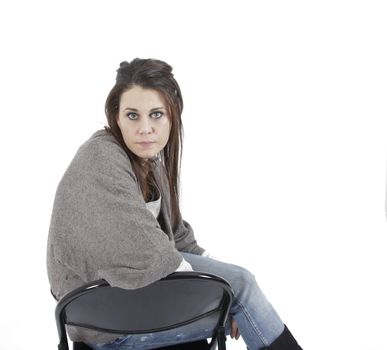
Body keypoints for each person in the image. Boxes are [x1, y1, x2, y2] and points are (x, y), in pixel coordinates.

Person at [46, 58, 303, 350]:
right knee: (243, 285)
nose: (145, 128)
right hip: (106, 325)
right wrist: (230, 298)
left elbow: (177, 237)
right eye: (133, 116)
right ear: (116, 117)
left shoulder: (148, 164)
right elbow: (148, 250)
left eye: (156, 115)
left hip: (132, 306)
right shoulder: (100, 158)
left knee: (240, 290)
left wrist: (227, 291)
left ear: (173, 116)